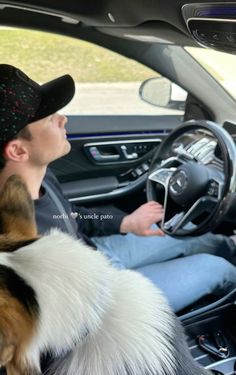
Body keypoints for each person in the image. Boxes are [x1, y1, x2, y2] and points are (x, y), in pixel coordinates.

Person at [0, 63, 236, 313]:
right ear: (17, 150)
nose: (63, 118)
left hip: (97, 255)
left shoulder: (41, 177)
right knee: (214, 268)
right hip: (108, 299)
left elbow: (70, 215)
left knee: (192, 235)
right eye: (49, 119)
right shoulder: (18, 240)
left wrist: (125, 223)